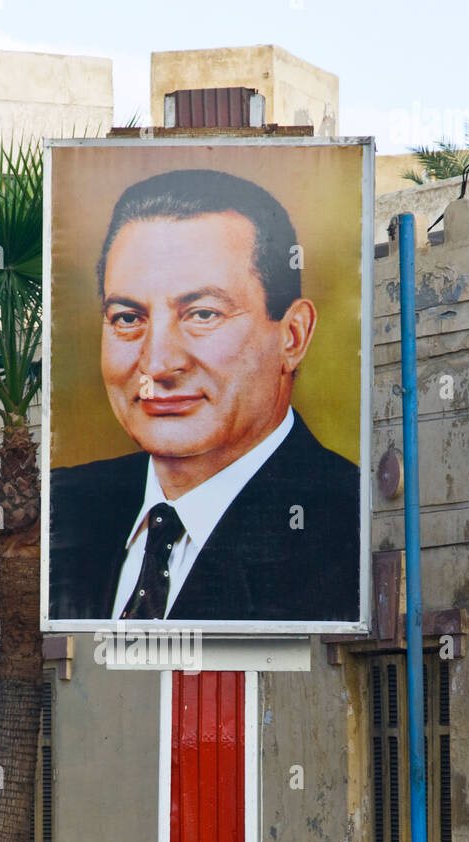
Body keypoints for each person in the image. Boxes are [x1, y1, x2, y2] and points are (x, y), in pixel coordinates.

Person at [49, 168, 360, 623]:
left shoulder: (349, 528)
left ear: (292, 336)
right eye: (128, 318)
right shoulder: (64, 508)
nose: (157, 365)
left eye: (203, 313)